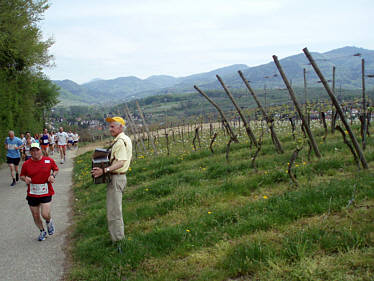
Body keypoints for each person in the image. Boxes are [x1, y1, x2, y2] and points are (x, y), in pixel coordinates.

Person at [91, 116, 132, 252]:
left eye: (112, 126)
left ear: (120, 127)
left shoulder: (120, 142)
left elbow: (120, 162)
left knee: (114, 211)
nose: (110, 129)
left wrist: (104, 170)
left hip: (116, 179)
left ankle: (118, 242)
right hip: (119, 178)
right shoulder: (125, 139)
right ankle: (118, 238)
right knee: (115, 209)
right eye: (110, 126)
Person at [20, 142, 59, 241]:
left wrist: (52, 176)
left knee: (45, 214)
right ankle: (42, 231)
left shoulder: (48, 161)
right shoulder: (26, 164)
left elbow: (56, 169)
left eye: (37, 150)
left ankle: (49, 221)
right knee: (35, 215)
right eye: (32, 150)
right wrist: (25, 179)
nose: (35, 152)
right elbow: (22, 176)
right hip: (33, 193)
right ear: (30, 152)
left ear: (40, 150)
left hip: (46, 191)